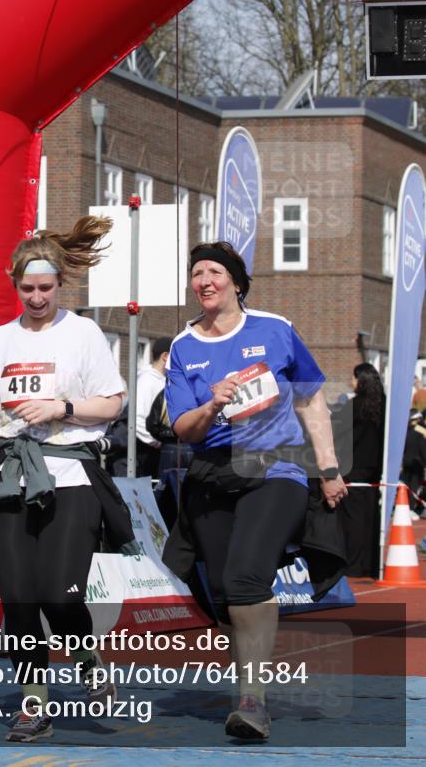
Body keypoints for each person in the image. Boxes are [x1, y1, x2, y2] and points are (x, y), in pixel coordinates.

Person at [0, 216, 138, 743]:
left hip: (71, 474)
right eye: (27, 288)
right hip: (10, 477)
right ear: (15, 285)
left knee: (59, 595)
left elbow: (114, 404)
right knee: (18, 600)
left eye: (46, 288)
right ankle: (33, 704)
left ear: (60, 285)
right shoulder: (0, 339)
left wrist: (63, 406)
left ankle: (85, 655)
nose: (36, 297)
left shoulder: (83, 333)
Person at [162, 241, 347, 741]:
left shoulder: (276, 329)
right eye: (196, 273)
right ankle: (246, 683)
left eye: (215, 272)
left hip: (275, 469)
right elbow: (184, 427)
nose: (204, 280)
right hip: (211, 474)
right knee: (224, 591)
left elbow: (311, 402)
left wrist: (328, 469)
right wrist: (213, 406)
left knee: (246, 577)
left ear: (237, 283)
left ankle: (252, 700)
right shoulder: (183, 348)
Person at [332, 362, 386, 574]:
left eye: (354, 378)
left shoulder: (354, 406)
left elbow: (336, 431)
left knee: (351, 519)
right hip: (375, 470)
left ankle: (353, 565)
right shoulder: (384, 405)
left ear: (361, 380)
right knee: (371, 516)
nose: (351, 382)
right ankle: (371, 562)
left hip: (353, 469)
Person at [134, 337, 172, 478]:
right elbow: (137, 418)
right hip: (148, 452)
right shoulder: (147, 381)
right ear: (165, 356)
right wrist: (156, 442)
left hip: (159, 447)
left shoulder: (163, 381)